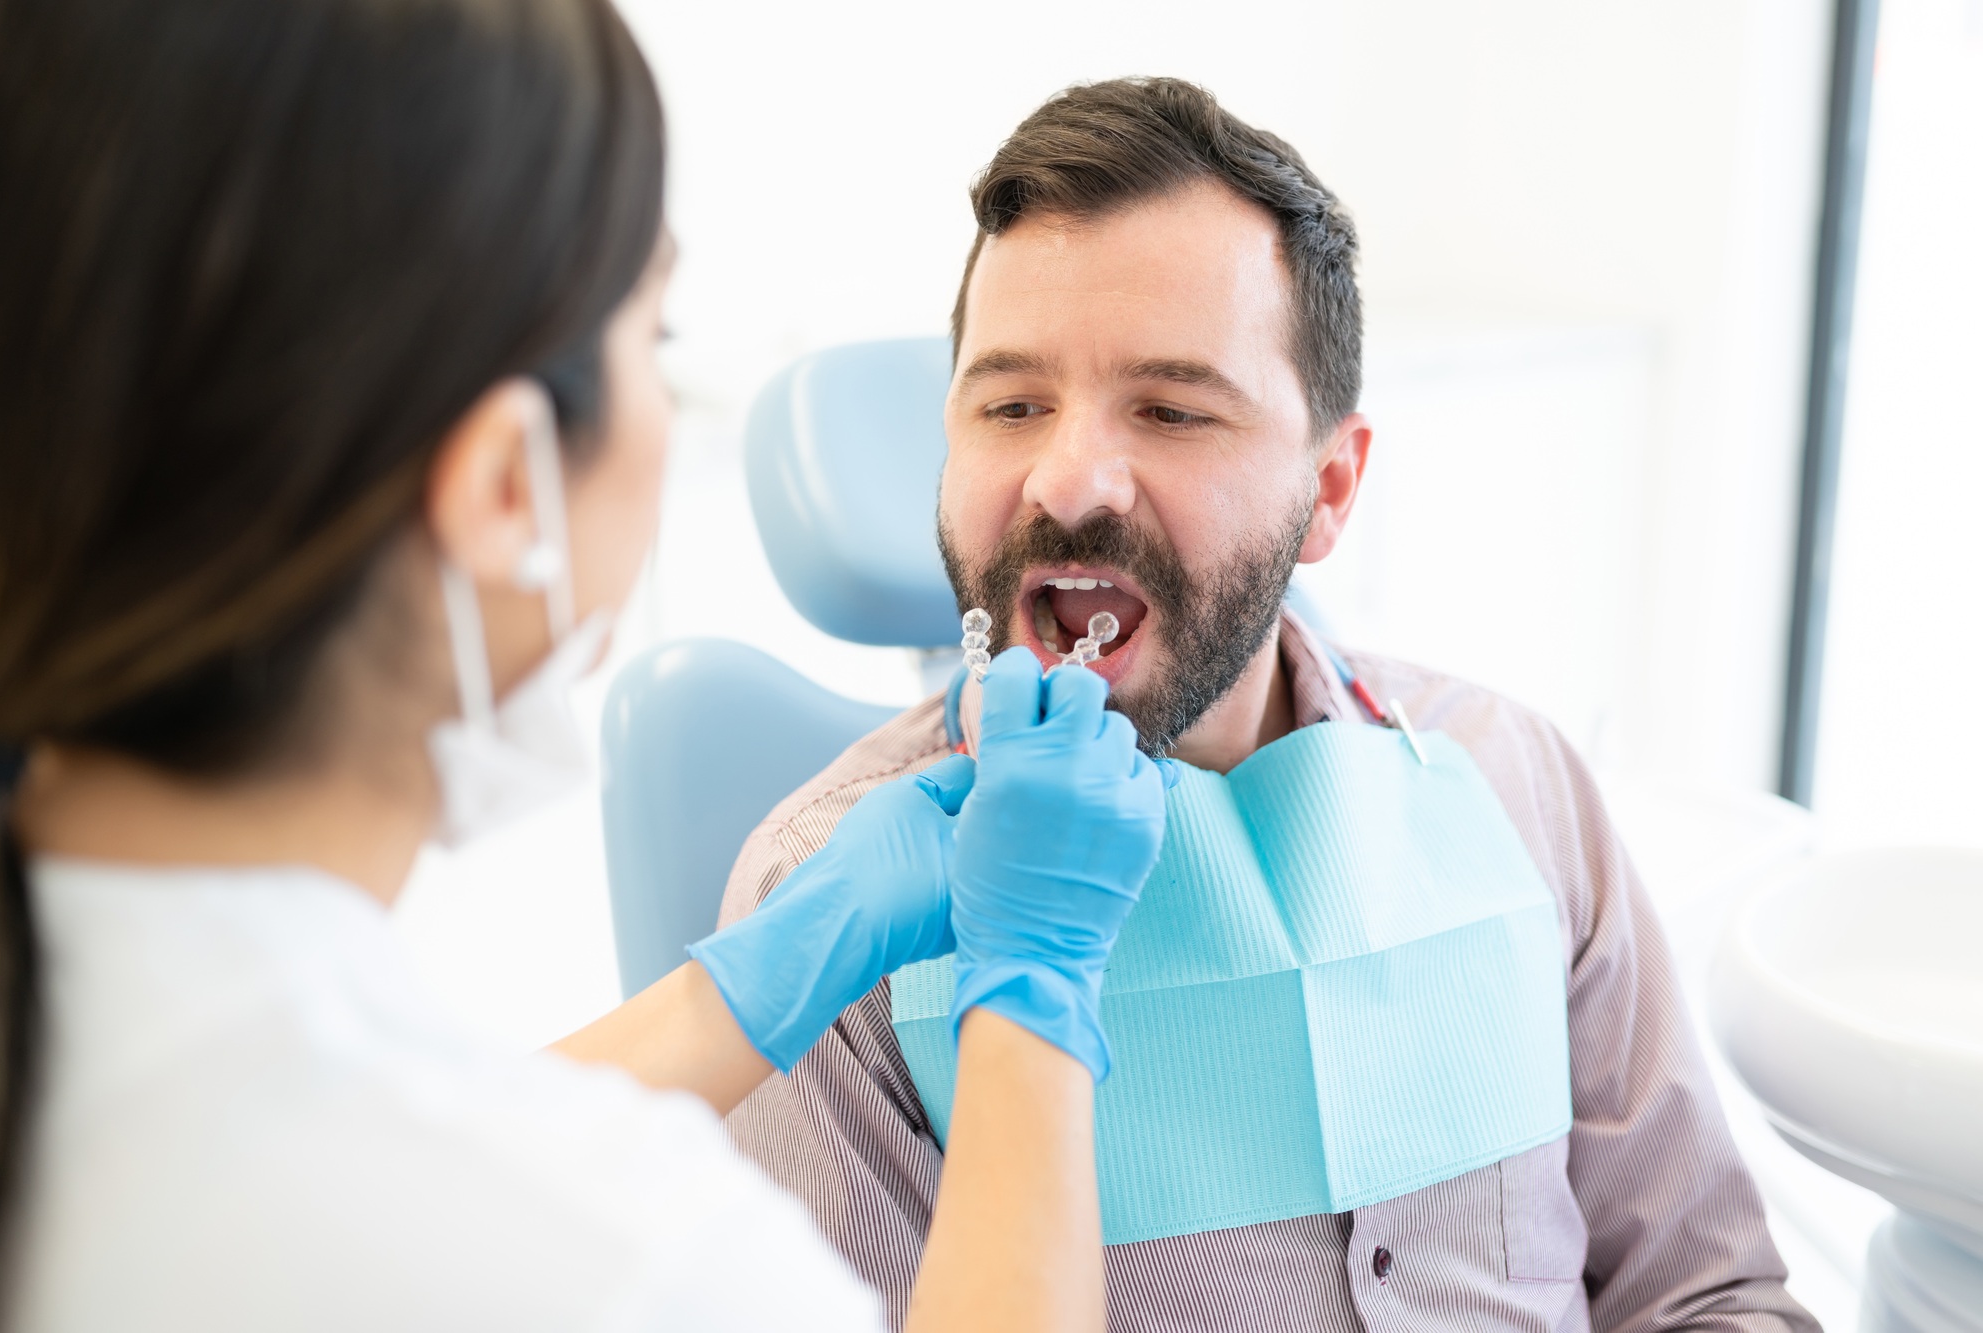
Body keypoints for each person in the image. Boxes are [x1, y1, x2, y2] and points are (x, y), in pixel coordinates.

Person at [0, 3, 1172, 1330]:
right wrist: (1035, 991)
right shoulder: (631, 1261)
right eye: (651, 340)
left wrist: (748, 986)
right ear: (506, 484)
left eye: (1176, 406)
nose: (1071, 476)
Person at [717, 78, 1821, 1333]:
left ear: (1331, 488)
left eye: (1172, 409)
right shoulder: (833, 926)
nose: (1068, 475)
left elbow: (1708, 1290)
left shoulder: (1511, 785)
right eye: (1010, 404)